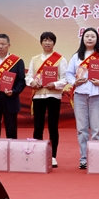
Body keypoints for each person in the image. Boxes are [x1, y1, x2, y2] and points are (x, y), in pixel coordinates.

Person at [66, 27, 99, 169]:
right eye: (87, 36)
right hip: (80, 95)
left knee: (97, 129)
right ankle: (84, 159)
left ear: (97, 39)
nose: (90, 39)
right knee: (82, 129)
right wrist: (74, 82)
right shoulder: (76, 56)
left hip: (97, 95)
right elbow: (69, 73)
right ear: (83, 39)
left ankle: (96, 158)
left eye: (93, 36)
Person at [25, 32, 68, 168]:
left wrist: (54, 84)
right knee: (38, 126)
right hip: (38, 95)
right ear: (41, 42)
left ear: (54, 43)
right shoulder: (34, 59)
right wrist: (32, 82)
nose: (47, 43)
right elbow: (28, 76)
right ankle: (37, 154)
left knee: (53, 126)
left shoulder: (60, 59)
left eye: (50, 40)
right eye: (45, 40)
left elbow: (65, 78)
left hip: (53, 96)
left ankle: (53, 156)